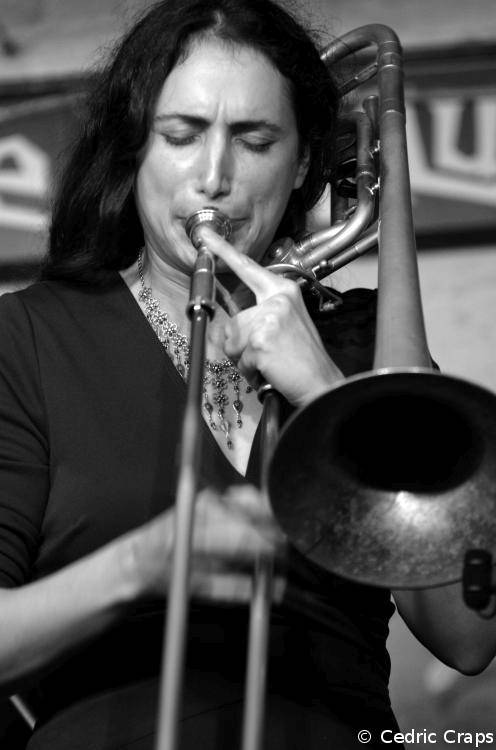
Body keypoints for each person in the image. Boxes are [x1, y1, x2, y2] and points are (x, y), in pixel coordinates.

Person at [0, 1, 495, 748]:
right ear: (134, 149)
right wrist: (142, 564)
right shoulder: (31, 337)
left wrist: (327, 394)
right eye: (182, 135)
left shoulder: (364, 345)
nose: (214, 176)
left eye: (255, 140)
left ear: (303, 164)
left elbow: (468, 634)